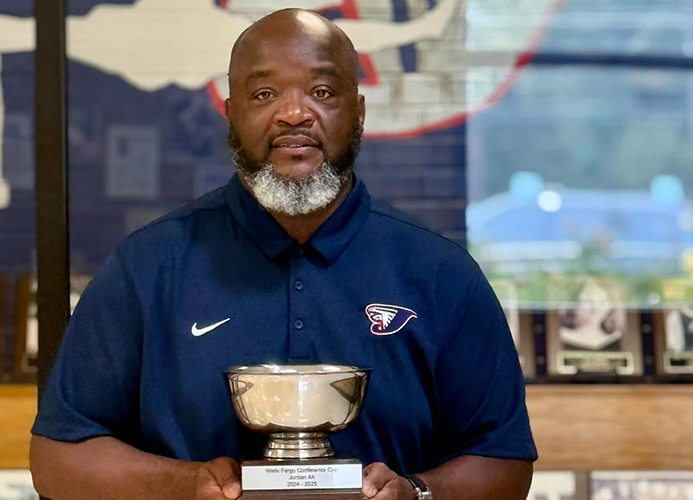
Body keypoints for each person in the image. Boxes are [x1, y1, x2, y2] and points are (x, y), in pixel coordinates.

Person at [30, 9, 537, 500]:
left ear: (358, 111)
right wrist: (188, 487)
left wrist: (418, 492)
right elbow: (58, 458)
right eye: (264, 93)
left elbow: (503, 462)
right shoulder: (146, 267)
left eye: (321, 92)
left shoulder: (441, 273)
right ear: (231, 111)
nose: (294, 114)